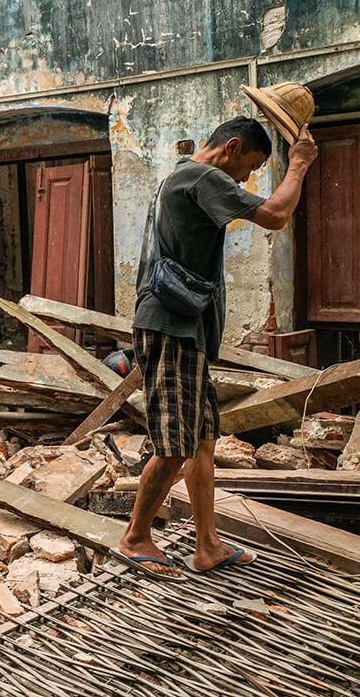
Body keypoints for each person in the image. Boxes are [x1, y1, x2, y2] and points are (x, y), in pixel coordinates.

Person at [115, 116, 318, 579]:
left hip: (187, 332)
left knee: (202, 443)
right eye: (250, 165)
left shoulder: (183, 176)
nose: (247, 178)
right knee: (172, 446)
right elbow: (276, 215)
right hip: (170, 329)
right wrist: (299, 165)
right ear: (231, 147)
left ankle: (206, 545)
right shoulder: (202, 175)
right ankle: (135, 538)